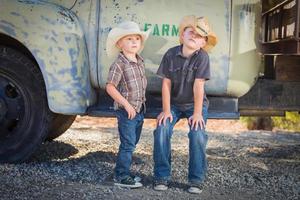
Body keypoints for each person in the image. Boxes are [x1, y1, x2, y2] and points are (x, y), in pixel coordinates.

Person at [153, 15, 217, 194]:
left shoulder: (202, 57)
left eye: (199, 36)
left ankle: (196, 179)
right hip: (173, 103)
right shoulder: (171, 54)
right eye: (191, 32)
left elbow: (199, 86)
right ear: (182, 36)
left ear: (203, 43)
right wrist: (166, 110)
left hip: (194, 105)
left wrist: (197, 114)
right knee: (162, 129)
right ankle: (161, 176)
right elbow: (165, 84)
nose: (194, 36)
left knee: (197, 133)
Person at [106, 21, 150, 188]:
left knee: (133, 142)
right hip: (127, 112)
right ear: (119, 44)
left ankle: (123, 172)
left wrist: (137, 108)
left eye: (137, 39)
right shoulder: (119, 64)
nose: (134, 42)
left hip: (139, 111)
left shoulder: (139, 61)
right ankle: (121, 176)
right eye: (129, 38)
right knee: (128, 144)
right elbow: (110, 87)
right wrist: (126, 104)